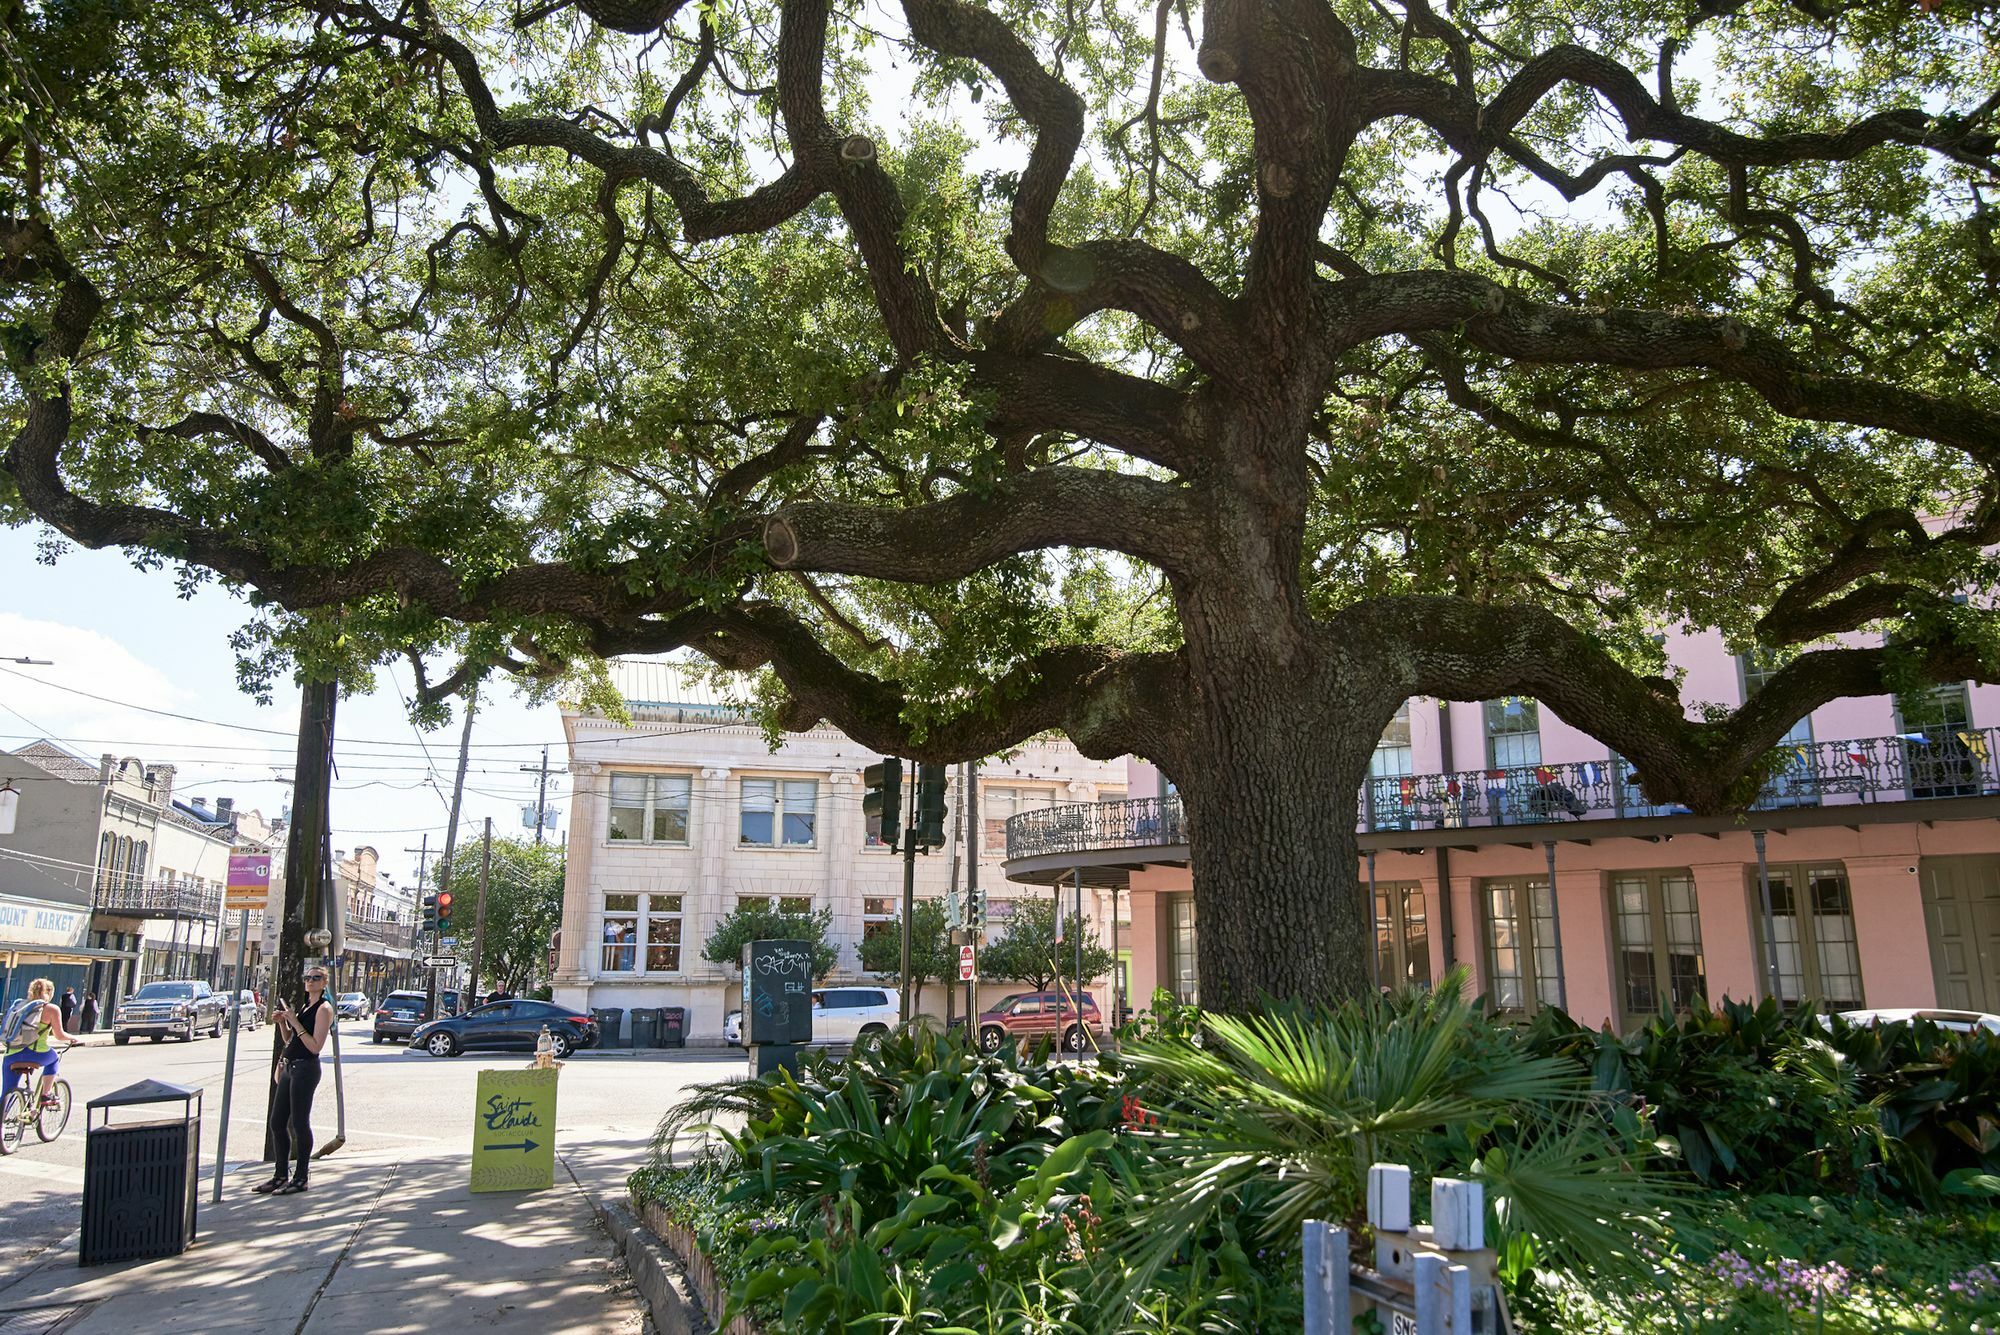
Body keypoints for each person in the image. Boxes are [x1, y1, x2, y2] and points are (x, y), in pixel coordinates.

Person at [257, 965, 332, 1196]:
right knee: (277, 1122)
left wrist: (295, 1022)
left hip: (306, 1069)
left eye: (315, 978)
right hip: (290, 1066)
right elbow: (291, 1039)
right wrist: (283, 1022)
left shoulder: (323, 1009)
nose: (310, 981)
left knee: (300, 1123)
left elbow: (314, 1046)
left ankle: (301, 1177)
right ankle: (280, 1174)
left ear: (324, 982)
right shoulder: (304, 1005)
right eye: (307, 977)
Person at [3, 978, 76, 1107]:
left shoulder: (19, 1005)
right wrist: (72, 1038)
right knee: (54, 1059)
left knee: (6, 1093)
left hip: (11, 1054)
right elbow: (59, 1035)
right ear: (50, 992)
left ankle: (3, 1117)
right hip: (36, 1053)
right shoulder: (51, 1009)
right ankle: (46, 1094)